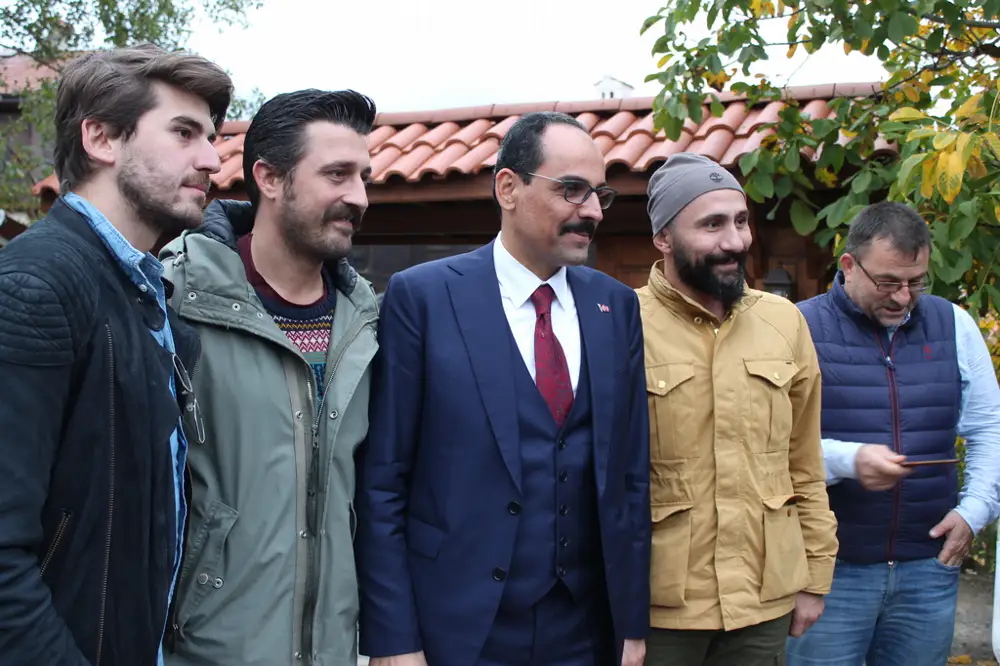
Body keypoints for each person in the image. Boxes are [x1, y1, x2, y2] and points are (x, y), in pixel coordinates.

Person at [355, 111, 651, 666]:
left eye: (599, 194)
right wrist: (394, 640)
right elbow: (383, 482)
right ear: (508, 188)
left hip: (585, 631)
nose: (592, 210)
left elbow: (631, 480)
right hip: (459, 628)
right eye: (572, 189)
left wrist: (632, 625)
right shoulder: (423, 298)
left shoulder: (615, 306)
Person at [0, 45, 231, 665]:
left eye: (210, 138)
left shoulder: (146, 297)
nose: (212, 159)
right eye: (184, 132)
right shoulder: (35, 286)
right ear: (101, 138)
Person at [158, 89, 380, 666]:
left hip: (337, 651)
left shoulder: (371, 325)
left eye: (364, 177)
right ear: (270, 178)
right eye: (337, 174)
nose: (358, 197)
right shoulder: (173, 301)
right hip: (207, 649)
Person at [637, 153, 838, 666]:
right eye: (712, 225)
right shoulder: (622, 323)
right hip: (660, 606)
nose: (735, 241)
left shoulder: (783, 321)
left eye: (741, 221)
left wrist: (815, 575)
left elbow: (804, 462)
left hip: (762, 600)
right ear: (663, 237)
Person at [786, 202, 1000, 666]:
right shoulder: (795, 328)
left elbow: (990, 428)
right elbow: (768, 444)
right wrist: (847, 460)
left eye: (916, 282)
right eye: (888, 282)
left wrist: (974, 512)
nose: (903, 298)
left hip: (929, 569)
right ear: (849, 265)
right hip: (827, 574)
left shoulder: (955, 325)